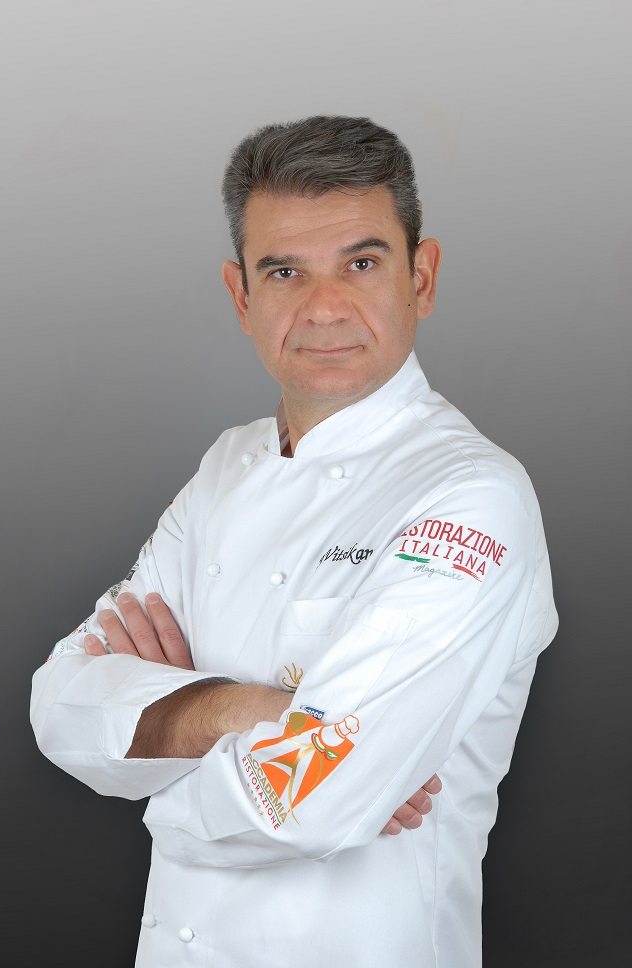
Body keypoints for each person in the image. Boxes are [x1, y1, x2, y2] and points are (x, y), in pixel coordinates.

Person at [30, 114, 559, 967]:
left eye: (362, 263)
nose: (325, 307)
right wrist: (255, 713)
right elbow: (59, 706)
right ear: (242, 297)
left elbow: (310, 803)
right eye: (285, 271)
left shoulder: (471, 497)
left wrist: (155, 757)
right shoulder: (225, 469)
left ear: (422, 278)